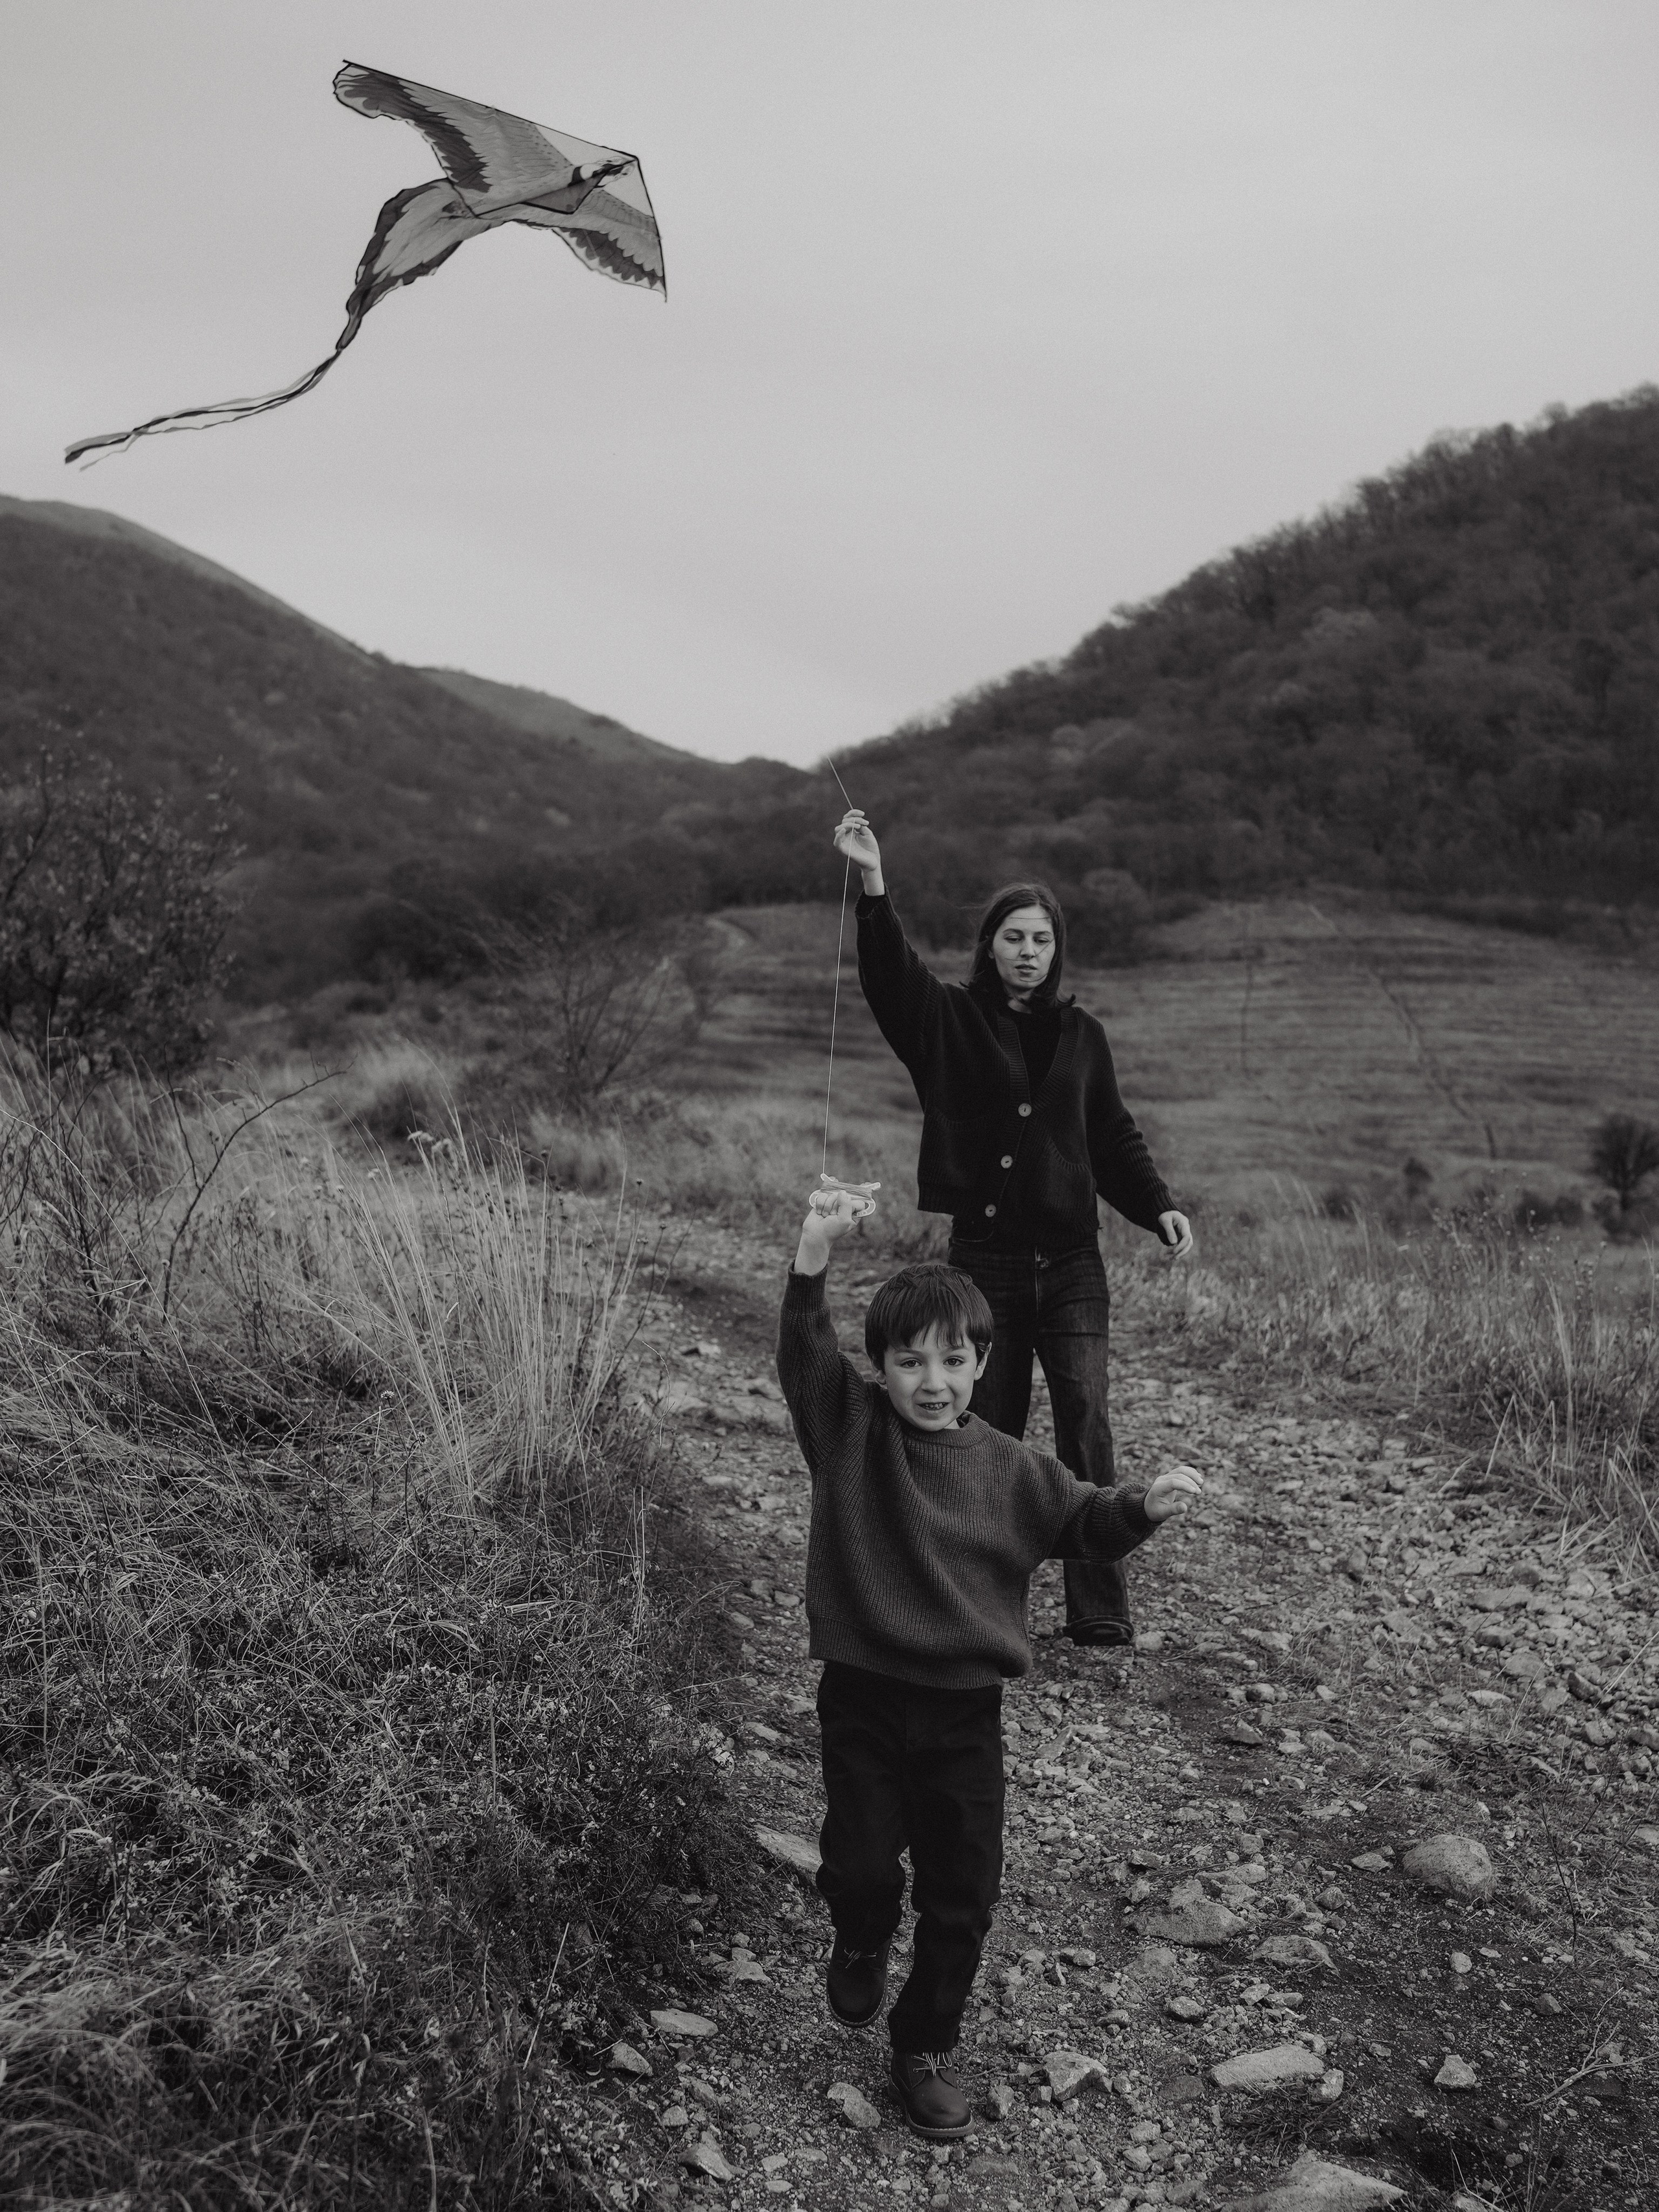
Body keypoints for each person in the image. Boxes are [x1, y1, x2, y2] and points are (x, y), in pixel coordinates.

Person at [776, 1186, 1201, 2138]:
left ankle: (921, 2046)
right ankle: (857, 1931)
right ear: (879, 1369)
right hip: (865, 1698)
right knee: (860, 1863)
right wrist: (814, 1250)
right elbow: (805, 1354)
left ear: (983, 1362)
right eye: (910, 1360)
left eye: (953, 1359)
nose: (933, 1379)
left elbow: (1084, 1517)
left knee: (964, 1892)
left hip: (966, 1714)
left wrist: (1144, 1506)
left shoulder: (1012, 1466)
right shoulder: (849, 1430)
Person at [831, 808, 1193, 1649]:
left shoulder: (1083, 1036)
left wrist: (1159, 1204)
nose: (1028, 949)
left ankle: (1099, 1607)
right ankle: (970, 1592)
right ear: (990, 944)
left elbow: (1112, 1136)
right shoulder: (950, 1021)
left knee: (1086, 1417)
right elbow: (890, 981)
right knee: (980, 1424)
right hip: (985, 1261)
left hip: (1072, 1261)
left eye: (1041, 938)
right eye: (1013, 936)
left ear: (1056, 949)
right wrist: (874, 882)